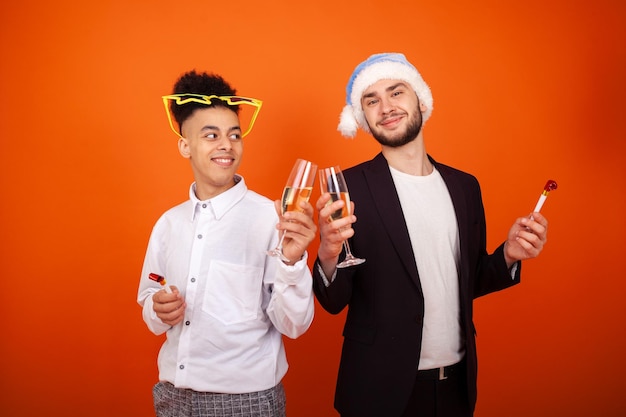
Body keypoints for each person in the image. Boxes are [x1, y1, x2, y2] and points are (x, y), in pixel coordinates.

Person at [313, 53, 549, 417]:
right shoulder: (348, 188)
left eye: (396, 92)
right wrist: (329, 253)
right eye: (371, 100)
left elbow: (467, 280)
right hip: (377, 390)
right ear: (363, 119)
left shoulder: (465, 187)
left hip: (455, 385)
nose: (386, 107)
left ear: (421, 100)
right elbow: (333, 302)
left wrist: (509, 255)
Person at [137, 70, 316, 417]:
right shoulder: (167, 224)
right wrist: (156, 308)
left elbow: (294, 325)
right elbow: (149, 296)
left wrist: (293, 263)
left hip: (246, 403)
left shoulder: (271, 219)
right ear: (185, 145)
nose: (226, 144)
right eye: (211, 135)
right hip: (171, 398)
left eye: (234, 135)